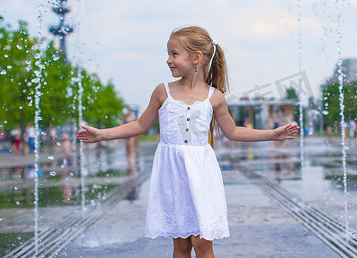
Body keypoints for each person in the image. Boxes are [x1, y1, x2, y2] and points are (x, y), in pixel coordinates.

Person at [77, 26, 300, 258]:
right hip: (173, 174)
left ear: (196, 57)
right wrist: (101, 134)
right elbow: (139, 126)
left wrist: (272, 134)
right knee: (181, 246)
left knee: (203, 243)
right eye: (168, 53)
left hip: (202, 174)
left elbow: (232, 131)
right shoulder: (162, 92)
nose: (168, 60)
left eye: (174, 54)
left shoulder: (214, 96)